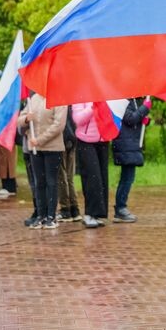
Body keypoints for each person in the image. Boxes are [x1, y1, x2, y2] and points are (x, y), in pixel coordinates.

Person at [19, 93, 67, 229]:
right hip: (35, 149)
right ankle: (41, 215)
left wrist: (39, 140)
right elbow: (20, 119)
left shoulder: (59, 99)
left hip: (53, 148)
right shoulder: (32, 99)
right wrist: (26, 119)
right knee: (39, 181)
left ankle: (51, 216)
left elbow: (58, 125)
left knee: (51, 181)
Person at [72, 102, 112, 228]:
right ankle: (89, 213)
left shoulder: (105, 95)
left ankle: (99, 213)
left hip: (103, 140)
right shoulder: (80, 97)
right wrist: (93, 107)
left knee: (102, 178)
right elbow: (78, 120)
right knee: (92, 178)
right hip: (86, 141)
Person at [111, 97, 151, 223]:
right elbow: (130, 119)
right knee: (127, 178)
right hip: (125, 144)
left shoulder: (132, 100)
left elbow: (134, 119)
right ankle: (120, 208)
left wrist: (144, 120)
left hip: (130, 144)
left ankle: (121, 207)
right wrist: (144, 108)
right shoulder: (121, 100)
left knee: (128, 177)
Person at [56, 108, 80, 221]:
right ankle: (75, 209)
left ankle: (65, 209)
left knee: (62, 176)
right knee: (69, 177)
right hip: (72, 139)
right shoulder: (70, 100)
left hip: (63, 140)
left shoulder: (58, 102)